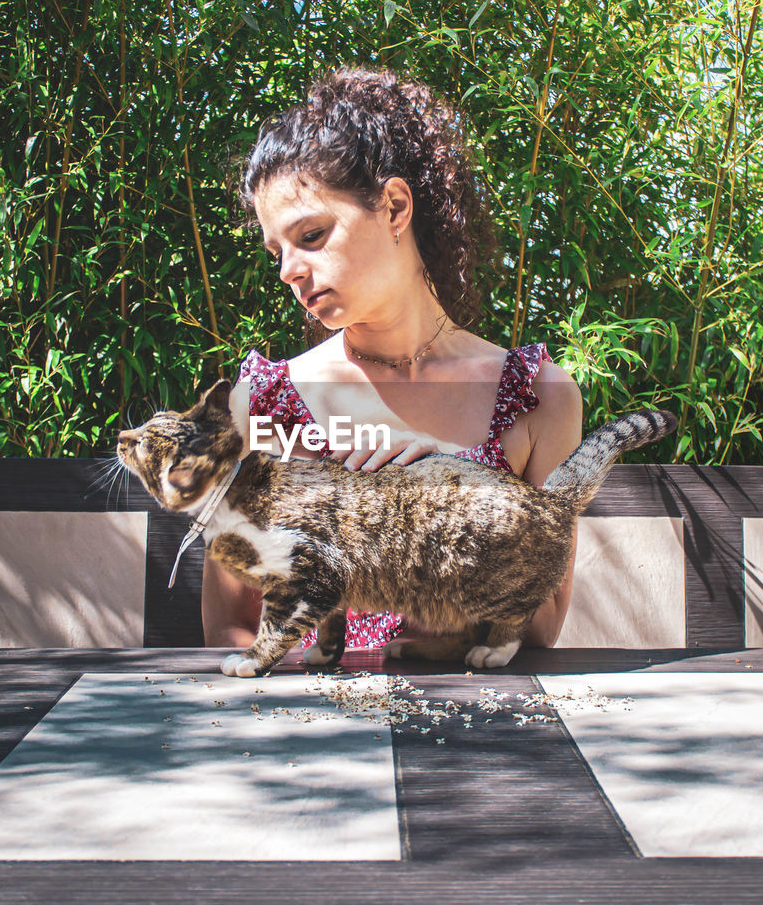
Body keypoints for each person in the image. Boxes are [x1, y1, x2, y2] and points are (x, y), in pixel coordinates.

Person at [203, 64, 583, 653]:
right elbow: (228, 626)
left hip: (471, 735)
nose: (288, 271)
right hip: (306, 731)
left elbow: (541, 626)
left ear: (396, 208)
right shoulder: (266, 403)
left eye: (310, 236)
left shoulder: (538, 397)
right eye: (276, 251)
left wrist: (455, 503)